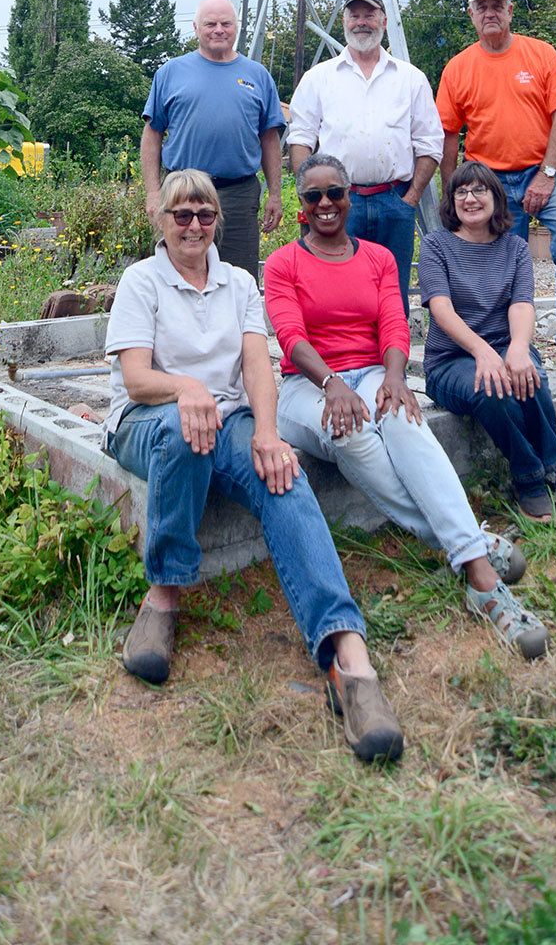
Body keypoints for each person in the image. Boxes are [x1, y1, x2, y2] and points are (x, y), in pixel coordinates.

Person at [105, 168, 405, 762]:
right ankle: (164, 595)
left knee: (284, 475)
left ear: (219, 221)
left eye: (205, 214)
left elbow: (256, 366)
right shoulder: (142, 281)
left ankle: (349, 659)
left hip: (226, 421)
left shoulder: (240, 281)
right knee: (182, 431)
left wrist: (268, 434)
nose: (194, 225)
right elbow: (137, 378)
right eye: (181, 215)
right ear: (161, 222)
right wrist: (187, 388)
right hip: (147, 421)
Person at [265, 153, 549, 659]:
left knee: (403, 419)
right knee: (349, 429)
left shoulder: (377, 258)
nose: (326, 203)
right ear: (302, 206)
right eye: (314, 196)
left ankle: (473, 571)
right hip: (306, 386)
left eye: (335, 193)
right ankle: (476, 558)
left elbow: (394, 325)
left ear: (350, 197)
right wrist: (331, 382)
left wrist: (394, 379)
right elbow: (290, 335)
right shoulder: (285, 263)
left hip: (373, 371)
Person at [437, 0, 556, 379]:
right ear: (472, 15)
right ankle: (496, 346)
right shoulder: (459, 67)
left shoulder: (540, 54)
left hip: (539, 171)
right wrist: (451, 192)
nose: (490, 13)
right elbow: (448, 134)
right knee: (489, 259)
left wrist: (546, 175)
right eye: (482, 7)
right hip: (485, 179)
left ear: (511, 12)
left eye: (498, 6)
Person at [418, 162, 556, 521]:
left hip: (503, 344)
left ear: (496, 199)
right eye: (461, 192)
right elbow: (441, 309)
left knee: (532, 378)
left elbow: (521, 304)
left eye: (479, 190)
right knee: (492, 389)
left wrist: (516, 348)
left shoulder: (513, 247)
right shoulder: (437, 245)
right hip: (451, 361)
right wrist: (482, 352)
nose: (470, 198)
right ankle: (528, 476)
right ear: (451, 201)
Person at [287, 0, 442, 307]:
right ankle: (340, 356)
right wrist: (312, 197)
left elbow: (430, 143)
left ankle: (389, 357)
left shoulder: (410, 79)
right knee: (335, 291)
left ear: (383, 21)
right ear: (343, 21)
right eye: (354, 15)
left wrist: (410, 200)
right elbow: (300, 140)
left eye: (369, 14)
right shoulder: (319, 78)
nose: (361, 22)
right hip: (338, 202)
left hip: (394, 201)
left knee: (391, 294)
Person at [141, 0, 284, 277]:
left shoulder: (258, 75)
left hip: (238, 194)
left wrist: (276, 194)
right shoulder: (170, 73)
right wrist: (153, 192)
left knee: (238, 277)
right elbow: (152, 133)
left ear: (236, 28)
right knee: (176, 274)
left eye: (226, 23)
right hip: (182, 194)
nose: (219, 29)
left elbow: (270, 139)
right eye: (210, 24)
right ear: (196, 27)